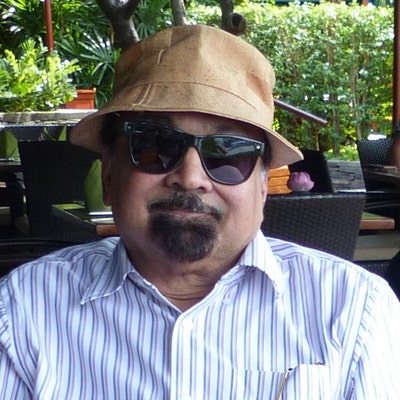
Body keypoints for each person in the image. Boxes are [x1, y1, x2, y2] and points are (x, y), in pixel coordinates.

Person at [0, 25, 399, 399]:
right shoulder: (26, 309)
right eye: (156, 145)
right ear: (108, 171)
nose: (190, 178)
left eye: (228, 152)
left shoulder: (353, 309)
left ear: (262, 186)